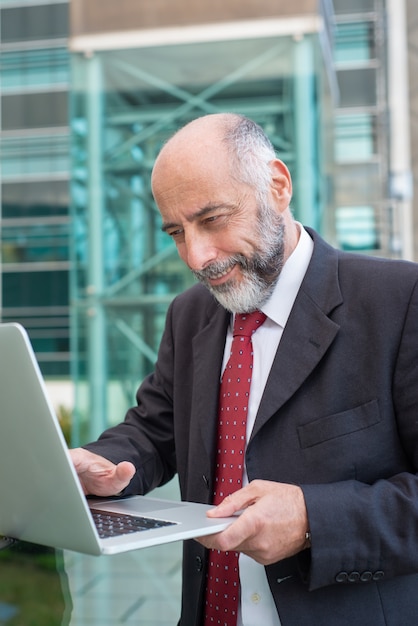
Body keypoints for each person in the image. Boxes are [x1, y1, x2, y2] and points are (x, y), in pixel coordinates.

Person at [70, 113, 418, 625]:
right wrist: (95, 467)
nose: (197, 256)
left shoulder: (398, 301)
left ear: (277, 185)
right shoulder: (189, 314)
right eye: (175, 232)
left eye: (212, 220)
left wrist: (311, 521)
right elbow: (154, 430)